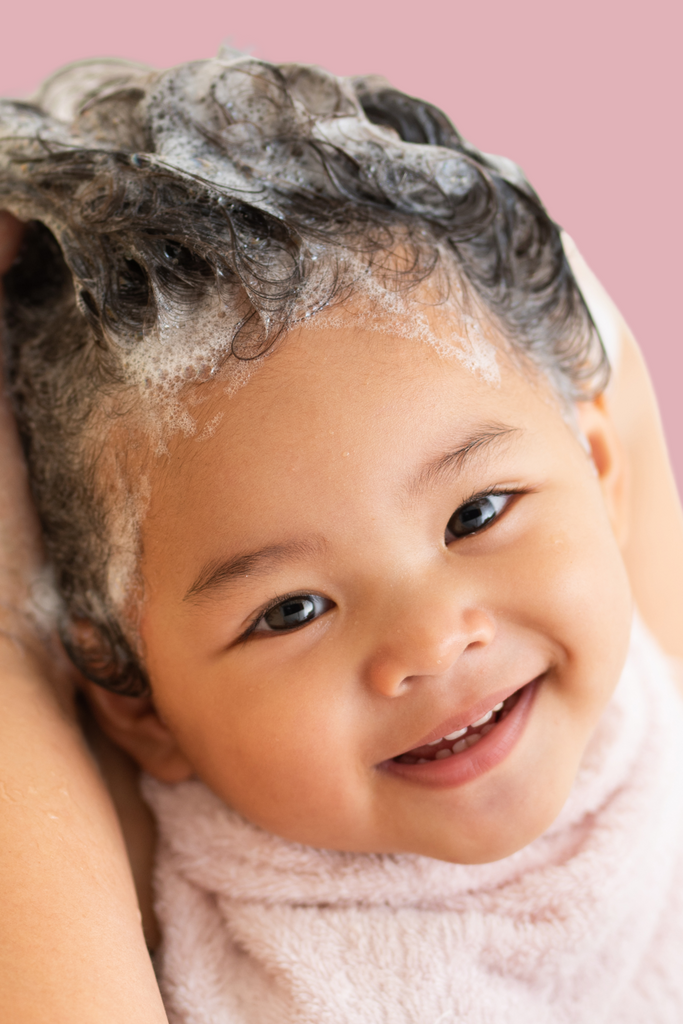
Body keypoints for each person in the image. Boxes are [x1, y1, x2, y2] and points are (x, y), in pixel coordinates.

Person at [1, 54, 682, 1022]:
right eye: (291, 610)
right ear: (143, 709)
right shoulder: (151, 892)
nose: (431, 641)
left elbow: (595, 334)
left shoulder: (647, 689)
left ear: (598, 472)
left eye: (475, 514)